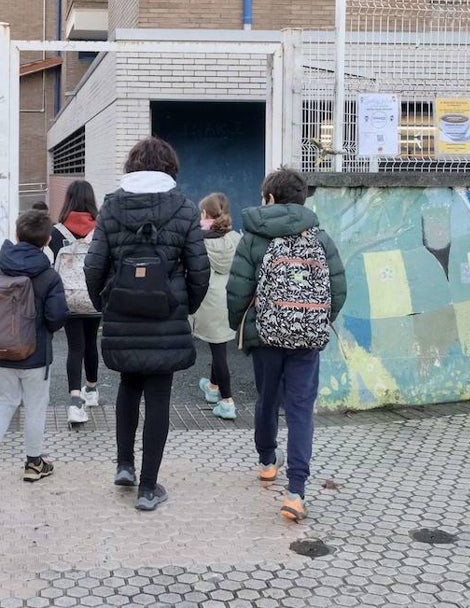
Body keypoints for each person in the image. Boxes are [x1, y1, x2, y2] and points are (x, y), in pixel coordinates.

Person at [84, 137, 210, 512]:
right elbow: (199, 270)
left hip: (122, 312)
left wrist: (105, 305)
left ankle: (125, 465)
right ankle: (148, 488)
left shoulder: (111, 206)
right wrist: (184, 305)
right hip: (165, 315)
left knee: (127, 387)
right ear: (170, 168)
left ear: (132, 167)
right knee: (158, 398)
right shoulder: (185, 208)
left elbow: (94, 265)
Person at [227, 167, 346, 522]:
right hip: (306, 338)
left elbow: (237, 291)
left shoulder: (253, 238)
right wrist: (315, 320)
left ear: (270, 198)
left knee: (267, 398)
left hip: (266, 336)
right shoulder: (320, 238)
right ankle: (295, 492)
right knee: (299, 410)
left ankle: (267, 461)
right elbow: (337, 290)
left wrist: (243, 329)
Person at [0, 209, 68, 487]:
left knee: (3, 402)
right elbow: (56, 316)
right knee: (35, 407)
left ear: (15, 234)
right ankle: (33, 463)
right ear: (48, 240)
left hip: (1, 353)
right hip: (36, 354)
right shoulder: (48, 276)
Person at [48, 179, 103, 424]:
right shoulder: (101, 230)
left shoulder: (56, 231)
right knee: (92, 343)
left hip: (68, 298)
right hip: (94, 297)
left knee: (75, 348)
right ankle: (91, 390)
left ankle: (74, 401)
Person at [190, 192, 242, 420]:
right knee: (218, 343)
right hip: (229, 298)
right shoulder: (236, 239)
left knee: (219, 352)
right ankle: (212, 388)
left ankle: (227, 401)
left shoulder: (199, 239)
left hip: (208, 298)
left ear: (204, 213)